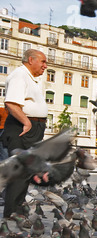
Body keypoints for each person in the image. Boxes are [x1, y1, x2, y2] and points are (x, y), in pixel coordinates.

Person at [1, 49, 48, 218]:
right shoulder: (19, 75)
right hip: (22, 127)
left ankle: (17, 208)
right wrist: (27, 122)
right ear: (30, 60)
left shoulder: (30, 78)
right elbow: (11, 104)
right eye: (42, 62)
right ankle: (12, 211)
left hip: (32, 127)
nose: (45, 66)